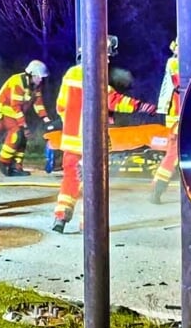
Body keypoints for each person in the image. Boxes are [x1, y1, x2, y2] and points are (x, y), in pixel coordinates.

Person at [52, 35, 145, 233]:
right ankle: (89, 224)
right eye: (107, 56)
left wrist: (71, 125)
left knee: (70, 177)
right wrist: (142, 106)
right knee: (92, 181)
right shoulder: (96, 75)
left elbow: (61, 105)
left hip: (71, 140)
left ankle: (60, 218)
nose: (109, 60)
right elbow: (114, 101)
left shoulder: (70, 74)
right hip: (91, 141)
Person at [0, 60, 50, 176]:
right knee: (16, 134)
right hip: (5, 110)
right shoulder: (18, 82)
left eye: (41, 78)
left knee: (23, 139)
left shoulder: (36, 85)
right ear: (30, 75)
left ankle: (16, 166)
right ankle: (3, 162)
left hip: (17, 112)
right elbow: (15, 106)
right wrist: (24, 125)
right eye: (38, 77)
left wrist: (46, 119)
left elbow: (38, 103)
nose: (40, 80)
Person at [149, 40, 182, 205]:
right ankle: (157, 190)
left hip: (181, 116)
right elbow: (182, 84)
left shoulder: (175, 61)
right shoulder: (175, 63)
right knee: (173, 155)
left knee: (175, 155)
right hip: (179, 117)